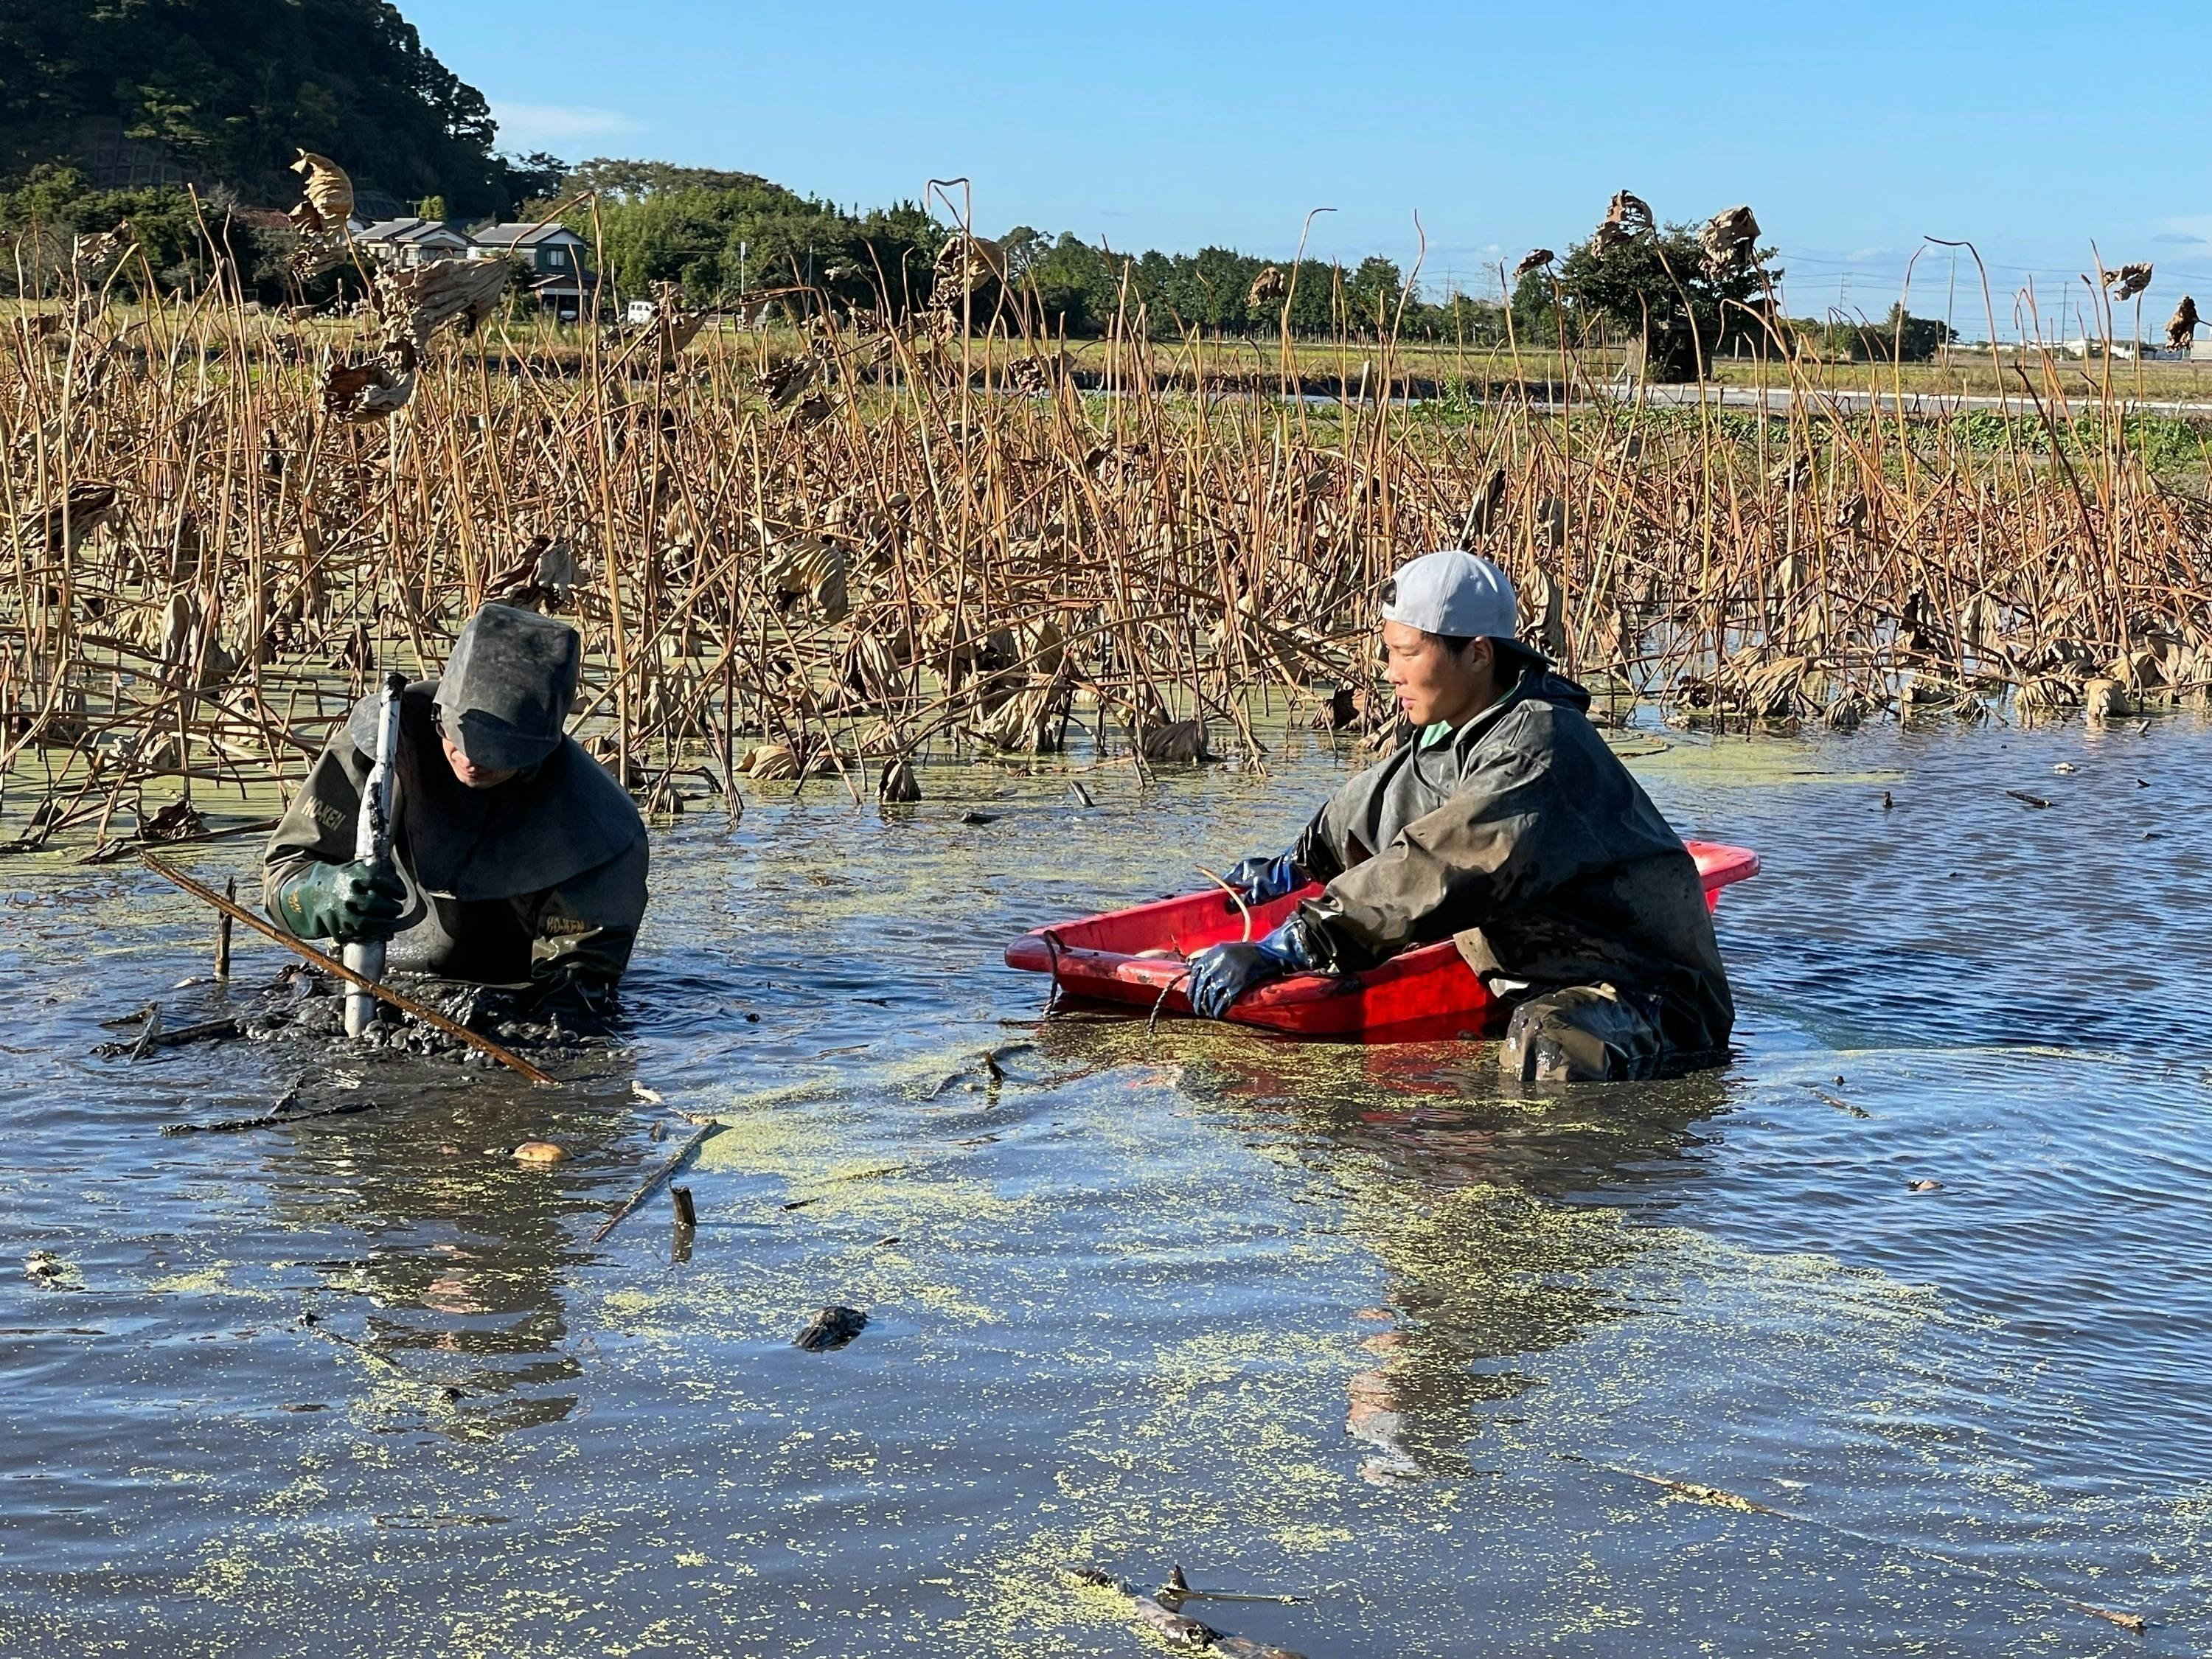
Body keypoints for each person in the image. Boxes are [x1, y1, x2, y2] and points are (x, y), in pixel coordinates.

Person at [1186, 550, 1732, 1082]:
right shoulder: (1453, 738)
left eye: (1407, 653)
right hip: (1542, 981)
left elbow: (1441, 866)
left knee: (1548, 1043)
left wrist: (1295, 944)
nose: (1391, 673)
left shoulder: (1538, 747)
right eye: (1388, 653)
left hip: (1652, 999)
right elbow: (1371, 807)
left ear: (1477, 653)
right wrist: (1295, 866)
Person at [263, 603, 649, 1029]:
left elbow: (576, 986)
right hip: (368, 977)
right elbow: (283, 878)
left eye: (496, 753)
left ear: (540, 749)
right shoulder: (381, 748)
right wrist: (323, 895)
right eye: (457, 738)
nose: (470, 762)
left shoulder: (600, 831)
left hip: (505, 995)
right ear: (438, 715)